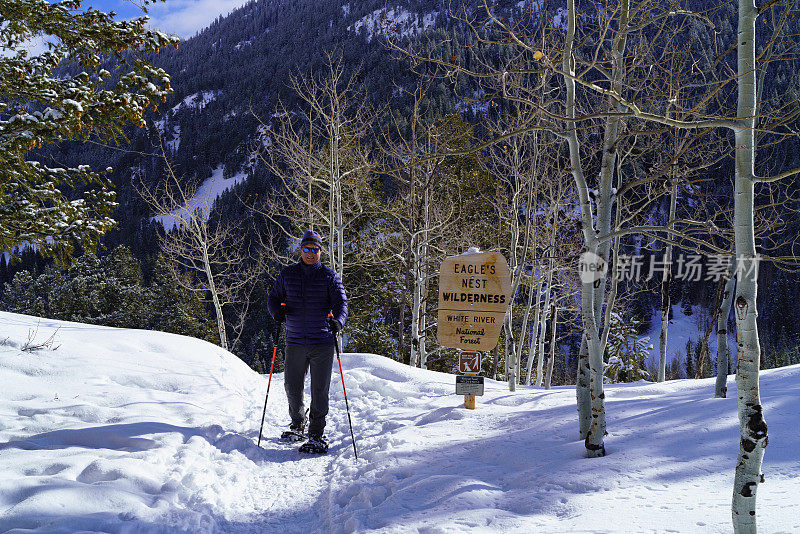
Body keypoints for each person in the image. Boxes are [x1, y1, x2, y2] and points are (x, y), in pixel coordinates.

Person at [267, 230, 348, 454]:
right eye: (306, 249)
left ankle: (316, 433)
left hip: (322, 341)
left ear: (321, 252)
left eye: (315, 250)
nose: (310, 253)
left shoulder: (330, 277)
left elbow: (342, 304)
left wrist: (338, 323)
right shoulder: (288, 275)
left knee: (319, 389)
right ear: (300, 250)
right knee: (292, 386)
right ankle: (298, 422)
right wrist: (276, 312)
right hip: (294, 340)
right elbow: (273, 298)